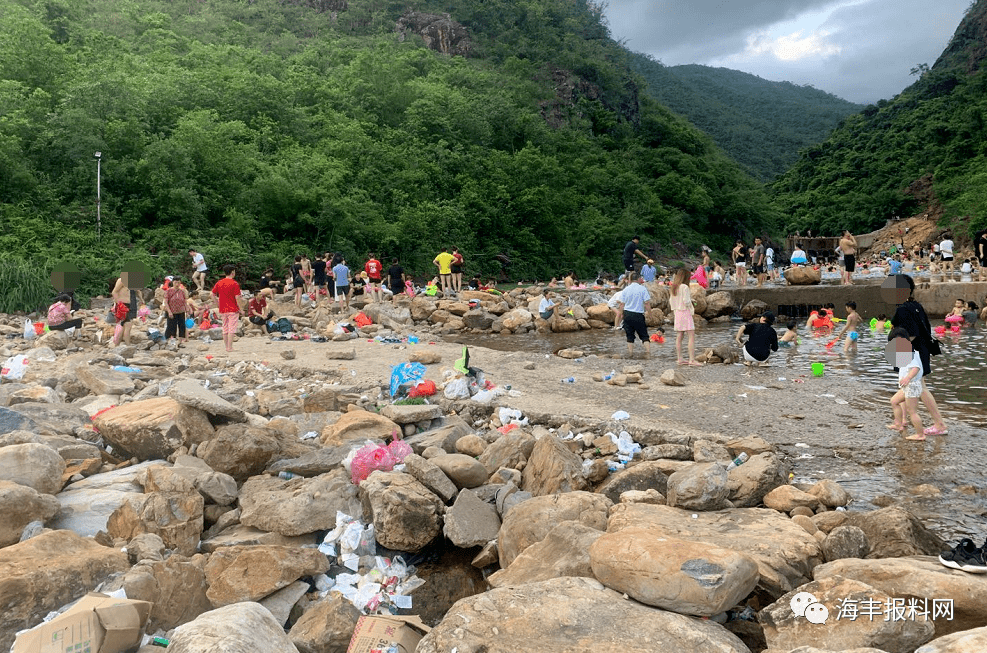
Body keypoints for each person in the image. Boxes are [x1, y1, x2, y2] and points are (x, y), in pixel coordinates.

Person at [889, 274, 948, 435]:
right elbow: (924, 329)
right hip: (922, 349)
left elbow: (912, 334)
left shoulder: (902, 309)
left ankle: (939, 424)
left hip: (913, 353)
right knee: (915, 386)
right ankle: (904, 420)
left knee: (920, 388)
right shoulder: (915, 305)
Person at [887, 327, 926, 441]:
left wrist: (908, 378)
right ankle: (898, 424)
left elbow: (916, 367)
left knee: (912, 412)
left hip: (912, 386)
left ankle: (920, 434)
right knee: (894, 401)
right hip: (908, 386)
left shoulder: (910, 352)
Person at [616, 272, 652, 359]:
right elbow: (647, 303)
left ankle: (630, 354)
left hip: (627, 314)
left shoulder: (626, 289)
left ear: (630, 280)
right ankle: (648, 353)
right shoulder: (643, 289)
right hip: (638, 314)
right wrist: (650, 314)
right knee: (644, 335)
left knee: (630, 335)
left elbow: (621, 304)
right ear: (639, 279)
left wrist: (620, 315)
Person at [669, 268, 700, 365]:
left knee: (679, 336)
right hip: (685, 312)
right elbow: (686, 301)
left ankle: (680, 359)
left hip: (677, 312)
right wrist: (691, 306)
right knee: (691, 336)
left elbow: (671, 301)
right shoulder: (684, 287)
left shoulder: (673, 287)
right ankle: (692, 360)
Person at [211, 265, 242, 352]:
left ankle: (226, 347)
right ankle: (230, 347)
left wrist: (217, 303)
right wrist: (241, 308)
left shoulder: (219, 282)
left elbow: (212, 294)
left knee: (225, 328)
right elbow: (237, 297)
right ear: (232, 272)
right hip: (233, 309)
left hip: (222, 309)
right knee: (231, 328)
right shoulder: (234, 283)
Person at [111, 271, 139, 346]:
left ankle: (117, 344)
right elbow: (114, 292)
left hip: (128, 304)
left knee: (124, 325)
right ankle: (127, 345)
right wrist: (117, 303)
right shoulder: (121, 280)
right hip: (122, 305)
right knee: (128, 325)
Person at [164, 278, 189, 344]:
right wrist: (169, 311)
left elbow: (184, 301)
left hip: (181, 311)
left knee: (182, 326)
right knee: (171, 326)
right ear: (172, 282)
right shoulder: (168, 291)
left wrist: (187, 309)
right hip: (172, 311)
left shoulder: (182, 291)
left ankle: (180, 342)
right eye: (175, 282)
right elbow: (166, 302)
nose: (177, 284)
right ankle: (170, 341)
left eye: (178, 283)